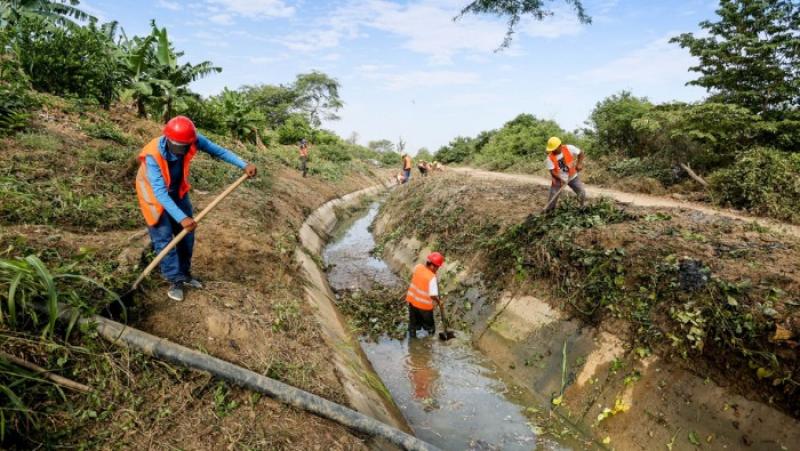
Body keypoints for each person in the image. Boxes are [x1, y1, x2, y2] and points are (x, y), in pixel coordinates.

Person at [135, 116, 257, 301]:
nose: (183, 150)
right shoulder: (153, 154)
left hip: (177, 192)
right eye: (179, 147)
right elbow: (159, 192)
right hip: (153, 196)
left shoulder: (193, 139)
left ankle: (184, 273)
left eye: (186, 146)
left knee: (187, 235)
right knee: (165, 239)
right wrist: (181, 218)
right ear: (168, 140)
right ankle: (174, 279)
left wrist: (244, 164)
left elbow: (219, 152)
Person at [405, 252, 445, 338]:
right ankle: (429, 346)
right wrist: (439, 302)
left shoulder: (418, 267)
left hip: (412, 303)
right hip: (424, 308)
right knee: (430, 328)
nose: (437, 269)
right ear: (433, 266)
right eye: (437, 267)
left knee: (413, 326)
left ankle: (412, 345)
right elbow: (432, 295)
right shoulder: (432, 278)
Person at [544, 136, 586, 212]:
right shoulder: (549, 158)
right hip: (558, 179)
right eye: (551, 149)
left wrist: (579, 164)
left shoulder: (569, 148)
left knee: (582, 192)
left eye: (554, 149)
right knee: (553, 196)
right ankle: (549, 212)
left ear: (559, 146)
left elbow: (581, 153)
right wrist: (561, 179)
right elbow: (552, 172)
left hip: (572, 176)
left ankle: (581, 209)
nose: (552, 151)